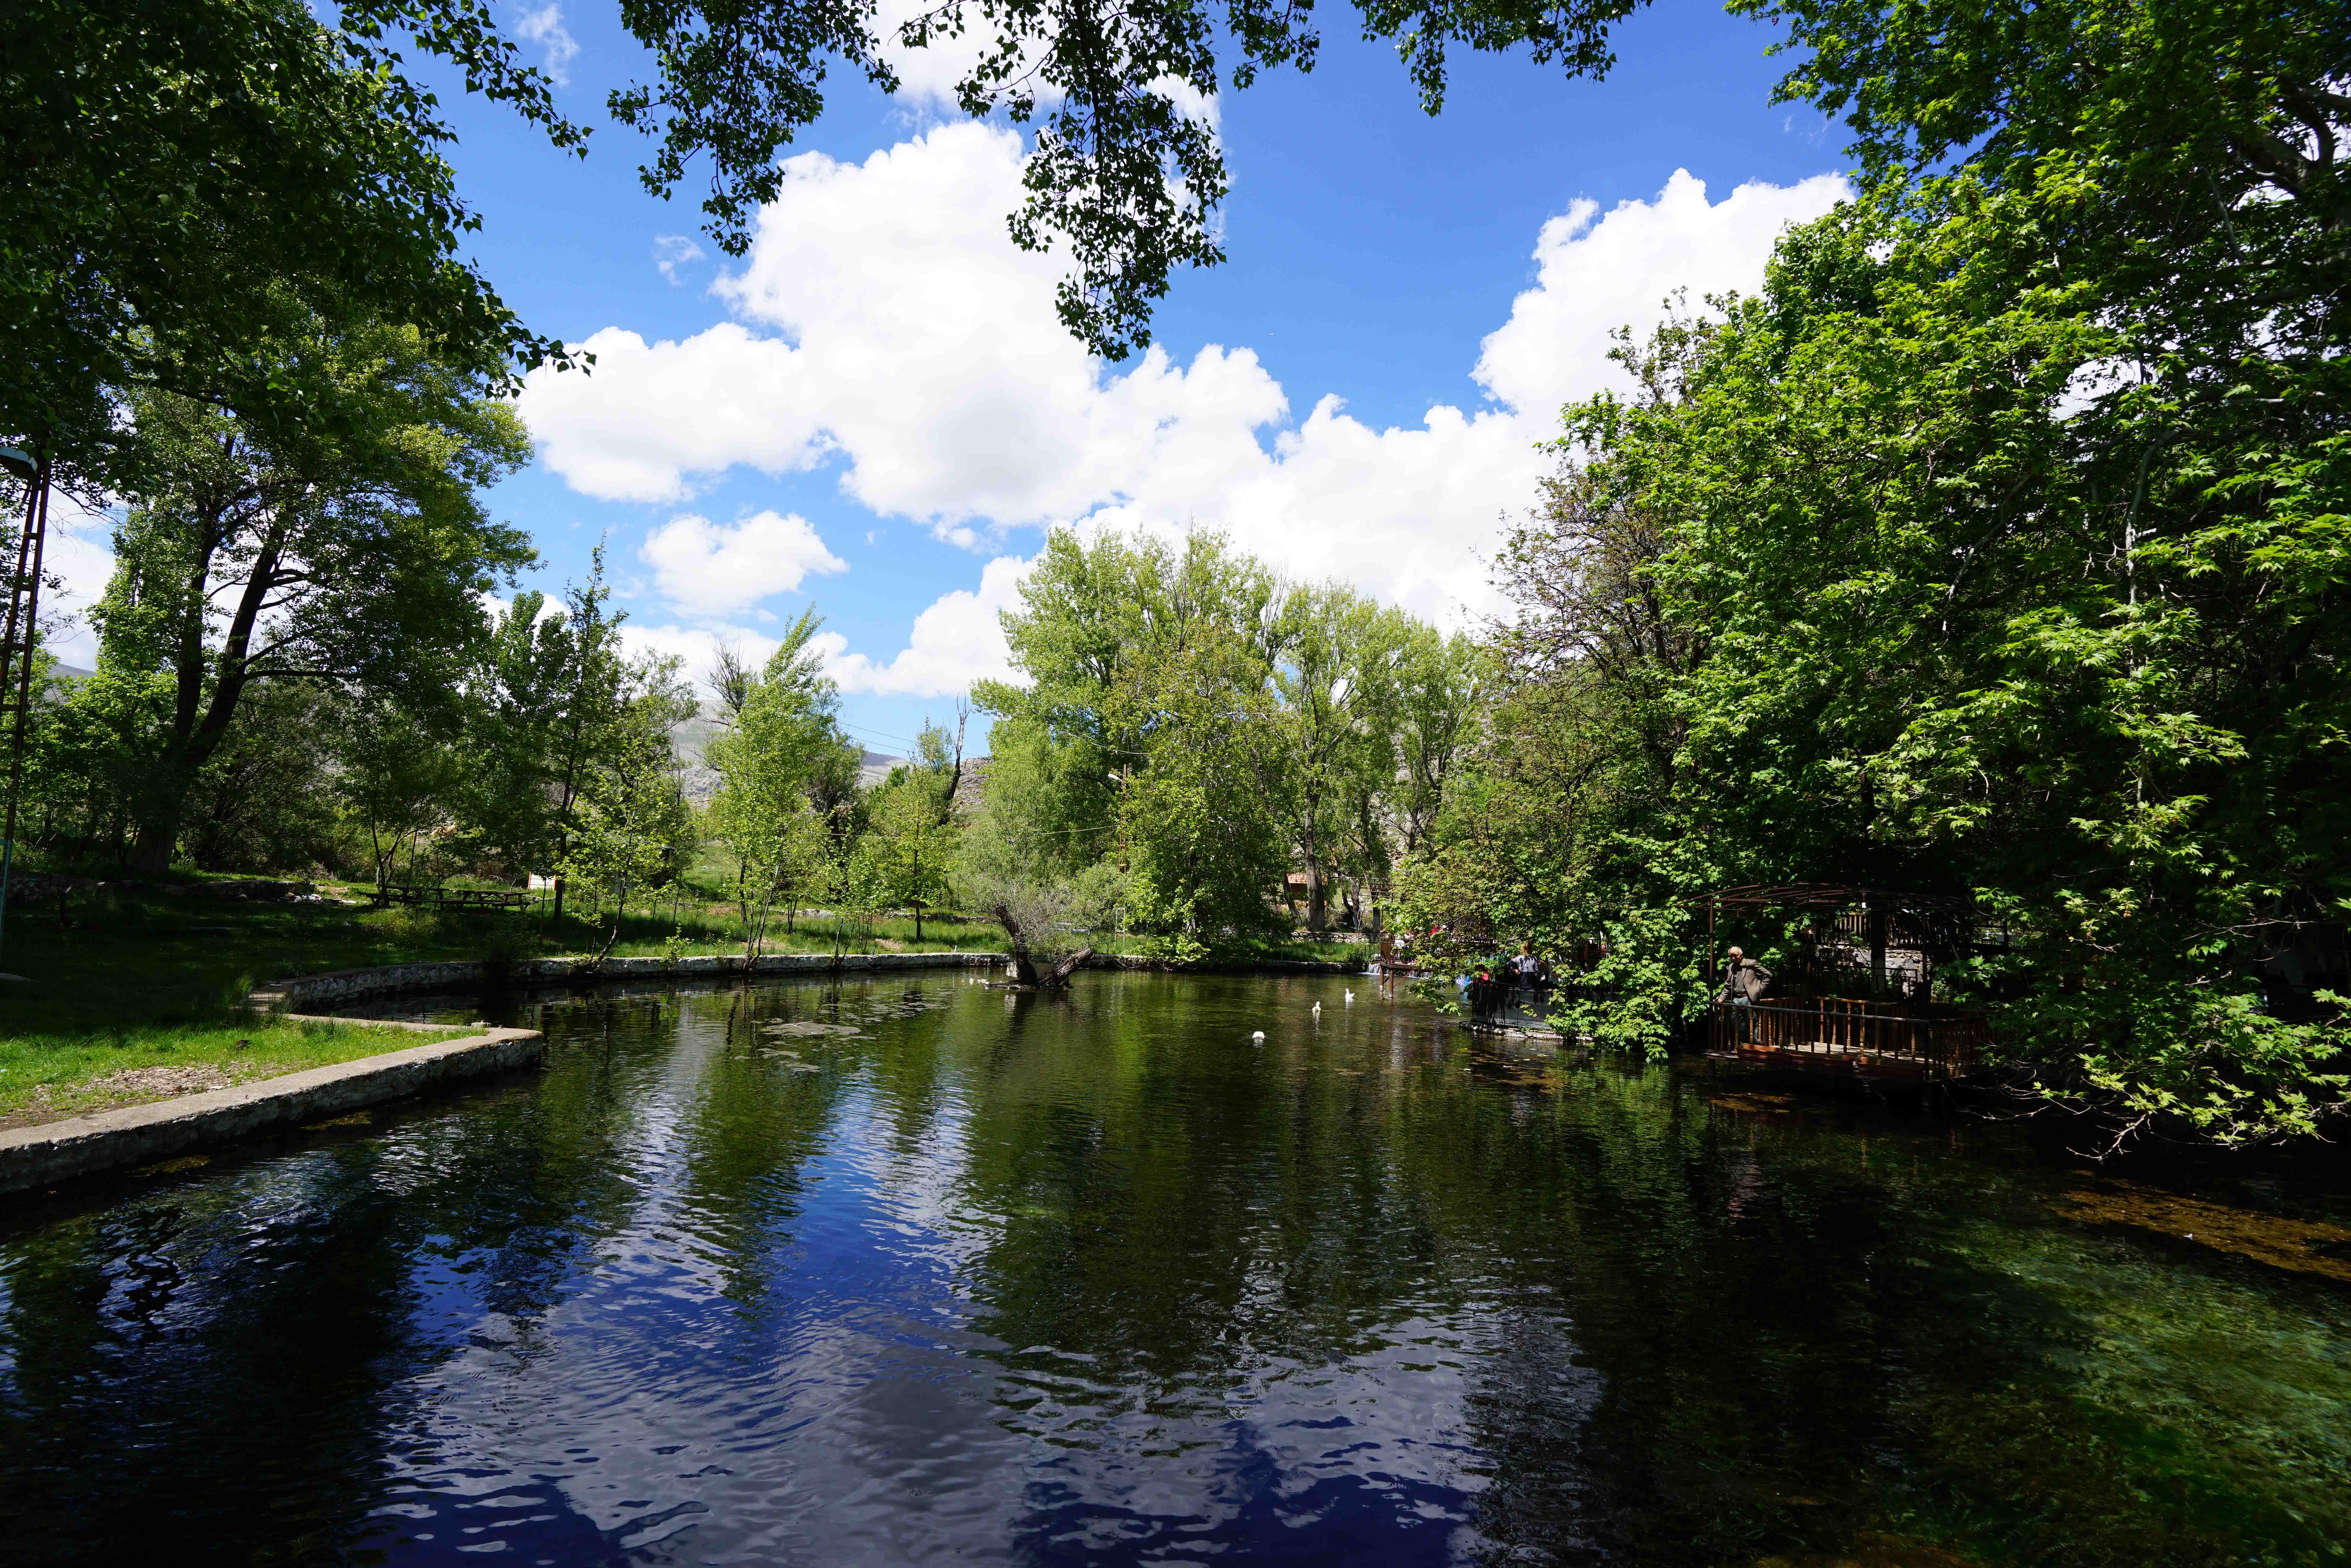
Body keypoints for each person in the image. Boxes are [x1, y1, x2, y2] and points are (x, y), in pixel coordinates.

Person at [1715, 946, 1772, 1042]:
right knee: (1735, 1021)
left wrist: (1759, 990)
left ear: (1741, 955)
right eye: (1731, 956)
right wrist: (1721, 998)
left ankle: (1753, 1048)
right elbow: (1728, 984)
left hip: (1748, 998)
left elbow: (1768, 975)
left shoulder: (1751, 963)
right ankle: (1756, 1042)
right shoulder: (1732, 967)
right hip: (1736, 999)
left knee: (1751, 1022)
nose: (1733, 958)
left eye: (1735, 956)